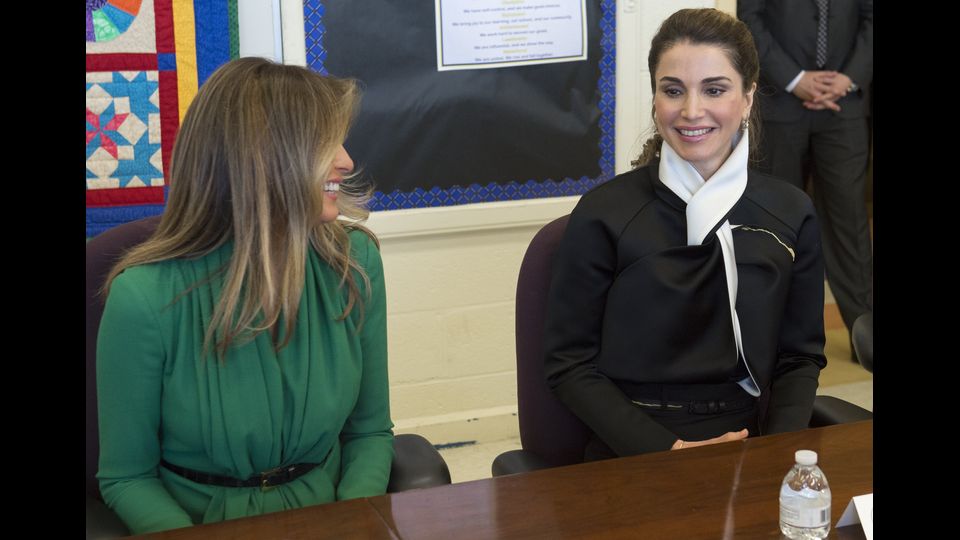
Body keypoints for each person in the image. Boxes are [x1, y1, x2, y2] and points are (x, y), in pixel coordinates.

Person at [96, 57, 393, 534]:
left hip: (332, 516)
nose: (347, 161)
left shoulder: (354, 264)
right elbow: (127, 478)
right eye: (325, 143)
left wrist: (351, 522)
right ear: (262, 158)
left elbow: (370, 433)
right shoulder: (143, 298)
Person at [543, 8, 826, 461]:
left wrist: (777, 452)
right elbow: (569, 365)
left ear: (749, 98)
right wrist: (667, 450)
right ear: (655, 98)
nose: (692, 111)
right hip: (633, 449)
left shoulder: (791, 212)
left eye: (715, 89)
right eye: (673, 90)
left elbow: (800, 357)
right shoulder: (605, 213)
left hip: (750, 444)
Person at [738, 0, 873, 337]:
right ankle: (771, 332)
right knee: (775, 219)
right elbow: (749, 18)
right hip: (777, 102)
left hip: (845, 103)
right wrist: (794, 78)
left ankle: (865, 332)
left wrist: (850, 77)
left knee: (849, 220)